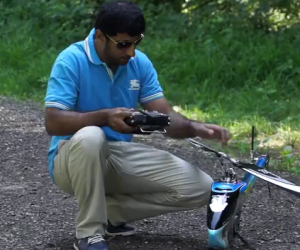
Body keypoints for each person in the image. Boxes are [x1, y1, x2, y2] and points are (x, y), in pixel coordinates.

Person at [44, 1, 230, 249]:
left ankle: (109, 215)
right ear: (100, 36)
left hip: (116, 155)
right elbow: (53, 122)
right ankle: (89, 234)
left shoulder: (138, 63)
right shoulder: (71, 60)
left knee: (202, 188)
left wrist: (195, 127)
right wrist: (104, 117)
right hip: (71, 157)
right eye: (123, 44)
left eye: (136, 43)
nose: (130, 52)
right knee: (91, 136)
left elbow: (164, 117)